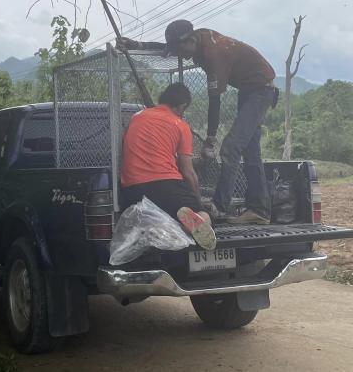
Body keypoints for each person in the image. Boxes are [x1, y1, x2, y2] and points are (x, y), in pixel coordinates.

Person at [118, 20, 277, 225]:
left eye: (180, 50)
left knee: (230, 147)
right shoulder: (196, 39)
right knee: (250, 151)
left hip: (261, 90)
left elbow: (215, 102)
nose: (180, 56)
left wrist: (210, 139)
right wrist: (138, 45)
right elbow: (168, 47)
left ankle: (219, 206)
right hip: (248, 90)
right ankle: (260, 210)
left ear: (190, 40)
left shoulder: (215, 54)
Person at [121, 82, 216, 251]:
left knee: (165, 209)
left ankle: (161, 226)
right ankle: (187, 225)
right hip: (164, 184)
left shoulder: (137, 117)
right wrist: (197, 201)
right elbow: (188, 172)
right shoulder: (180, 125)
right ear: (182, 106)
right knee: (203, 216)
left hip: (131, 188)